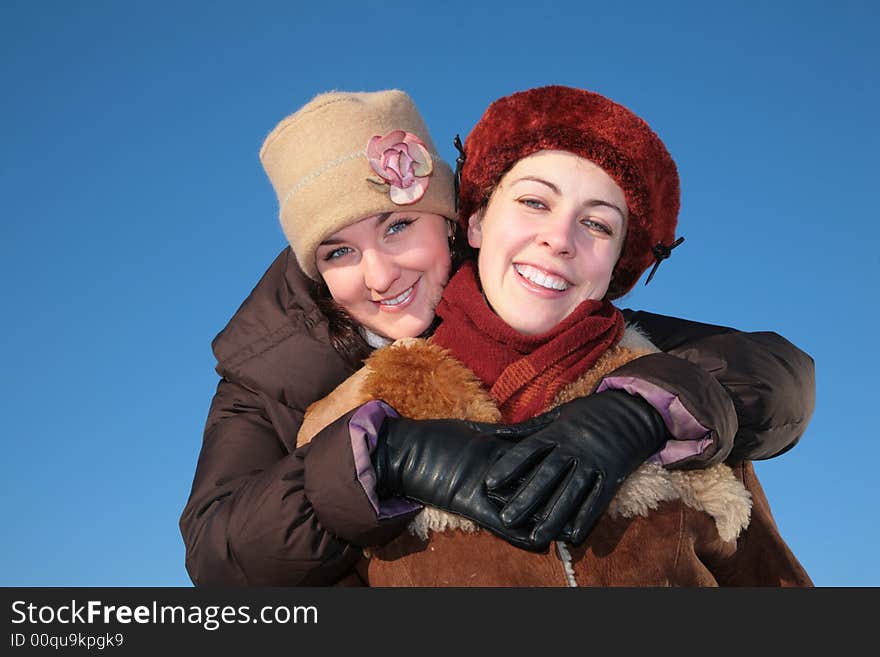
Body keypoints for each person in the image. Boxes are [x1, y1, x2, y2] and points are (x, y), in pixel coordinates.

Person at [179, 89, 815, 586]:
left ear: (457, 221)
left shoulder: (570, 324)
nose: (380, 274)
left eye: (400, 227)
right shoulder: (278, 378)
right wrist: (382, 456)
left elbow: (761, 371)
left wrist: (642, 407)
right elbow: (222, 558)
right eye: (339, 250)